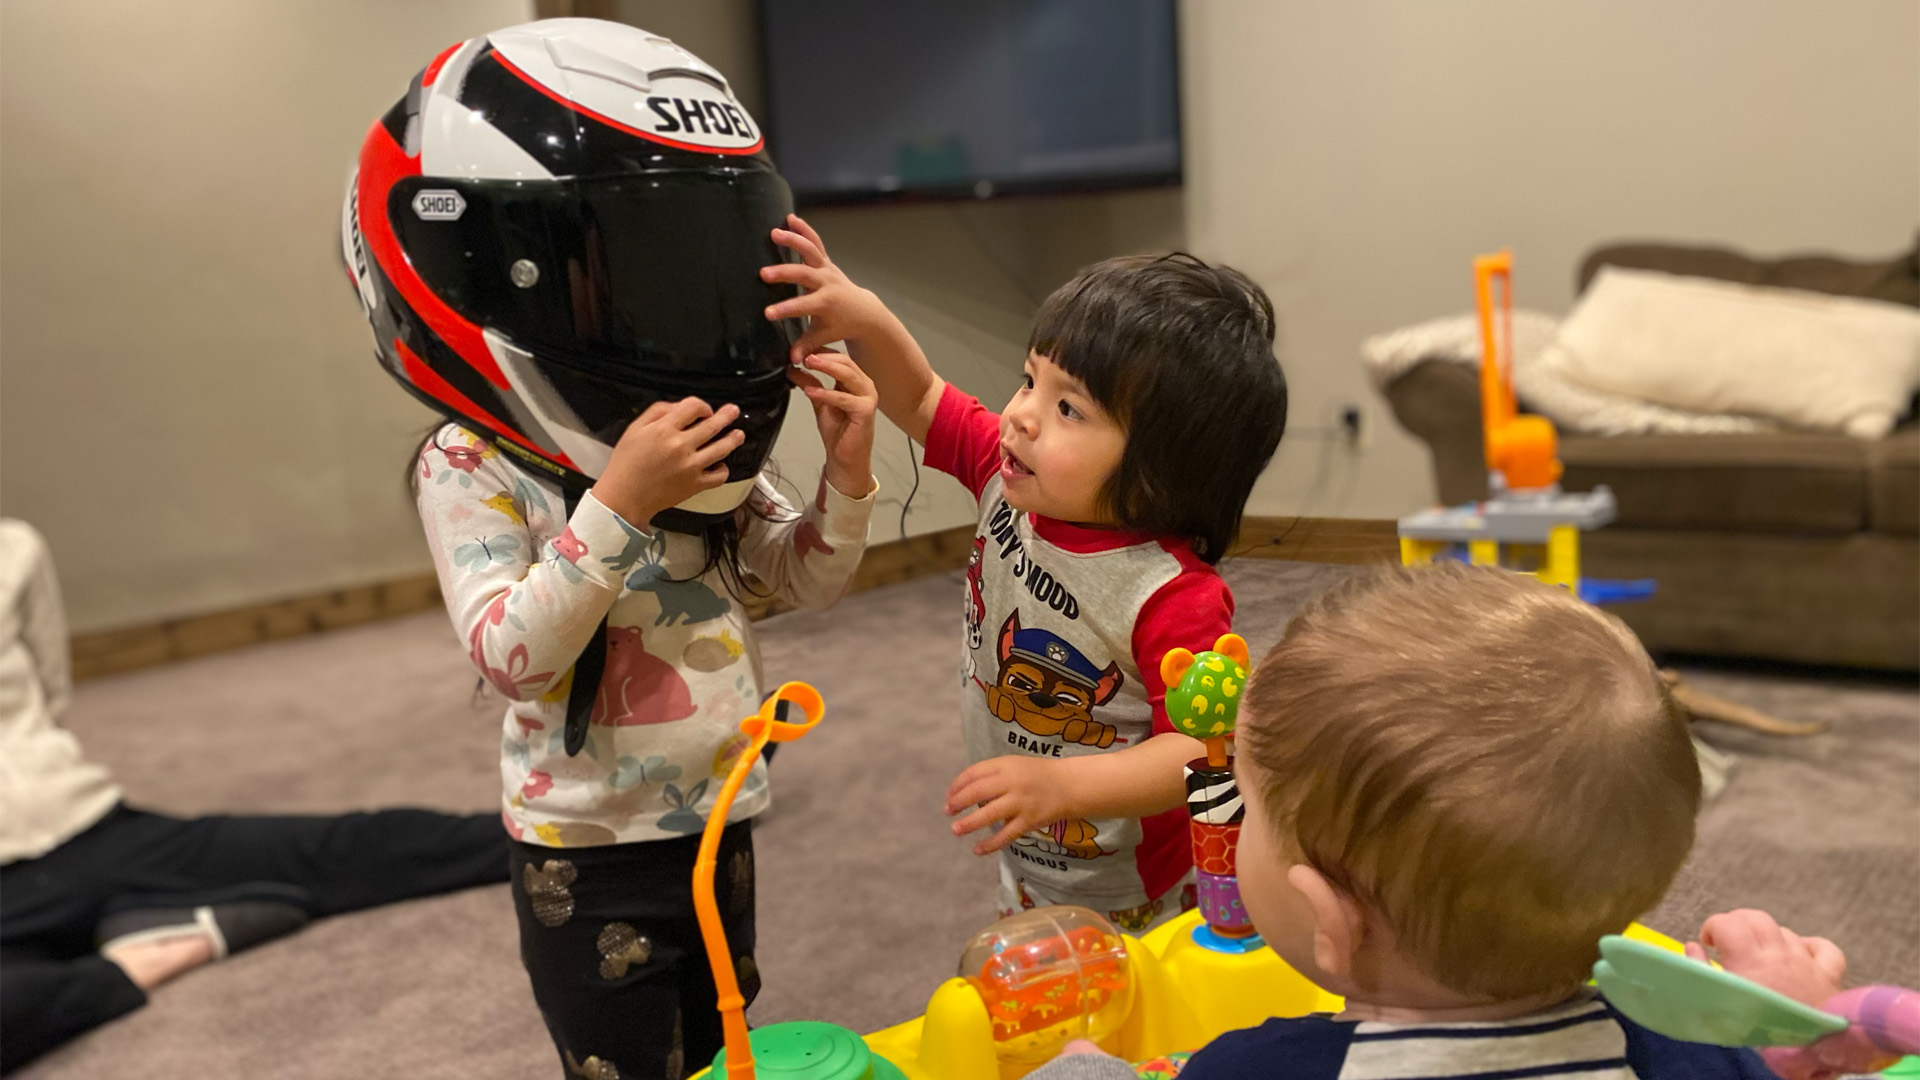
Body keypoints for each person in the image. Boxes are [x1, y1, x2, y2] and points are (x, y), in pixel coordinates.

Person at [345, 20, 878, 1080]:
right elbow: (513, 658)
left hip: (721, 812)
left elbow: (802, 576)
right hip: (587, 852)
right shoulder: (472, 463)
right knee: (625, 1058)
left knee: (723, 1032)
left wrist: (849, 476)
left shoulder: (684, 432)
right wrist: (619, 504)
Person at [1024, 562, 1816, 1080]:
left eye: (1251, 809)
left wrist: (1085, 1069)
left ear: (1329, 918)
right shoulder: (1685, 1053)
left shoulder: (1258, 1068)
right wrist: (1774, 1020)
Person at [762, 218, 1289, 931]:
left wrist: (1064, 784)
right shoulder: (1002, 478)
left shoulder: (1169, 593)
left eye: (1068, 407)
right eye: (1029, 380)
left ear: (1163, 471)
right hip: (1034, 853)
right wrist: (863, 312)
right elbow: (918, 396)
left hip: (1132, 890)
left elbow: (1199, 748)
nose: (1021, 416)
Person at [0, 520, 511, 1074]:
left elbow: (48, 697)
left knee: (351, 849)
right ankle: (131, 961)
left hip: (93, 829)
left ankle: (559, 836)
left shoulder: (13, 546)